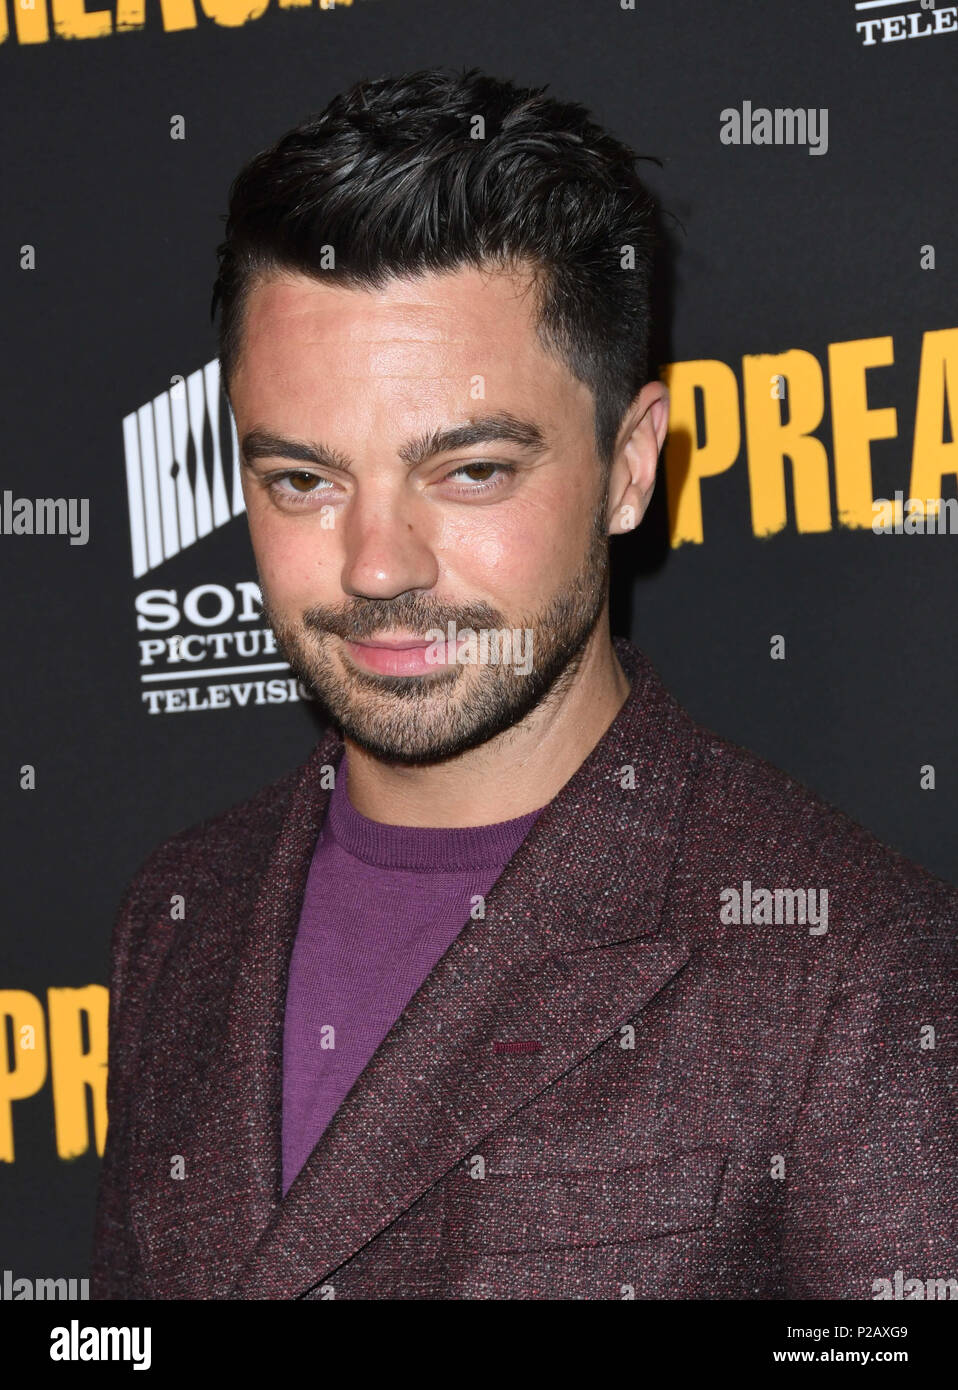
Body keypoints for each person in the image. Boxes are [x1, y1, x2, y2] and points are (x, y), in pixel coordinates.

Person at [91, 68, 956, 1300]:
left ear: (628, 464)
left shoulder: (858, 970)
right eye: (302, 481)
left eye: (471, 471)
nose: (376, 563)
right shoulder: (178, 915)